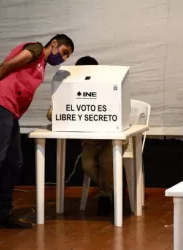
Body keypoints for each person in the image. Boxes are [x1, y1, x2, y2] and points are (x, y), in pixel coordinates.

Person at [0, 34, 74, 237]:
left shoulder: (41, 65)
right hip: (0, 104)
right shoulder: (34, 50)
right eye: (64, 53)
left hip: (10, 110)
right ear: (54, 44)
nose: (63, 59)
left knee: (15, 162)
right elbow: (5, 66)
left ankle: (4, 213)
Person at [47, 56, 128, 216]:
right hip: (91, 140)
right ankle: (112, 189)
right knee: (88, 165)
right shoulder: (68, 89)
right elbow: (52, 113)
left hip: (113, 138)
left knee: (107, 161)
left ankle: (106, 196)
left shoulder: (108, 85)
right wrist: (57, 111)